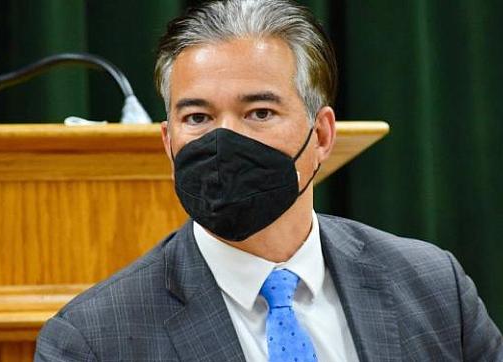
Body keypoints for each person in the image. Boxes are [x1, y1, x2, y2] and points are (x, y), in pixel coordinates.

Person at [35, 0, 503, 361]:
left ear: (321, 135)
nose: (224, 141)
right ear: (168, 142)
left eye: (259, 112)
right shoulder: (92, 340)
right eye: (197, 117)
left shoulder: (434, 287)